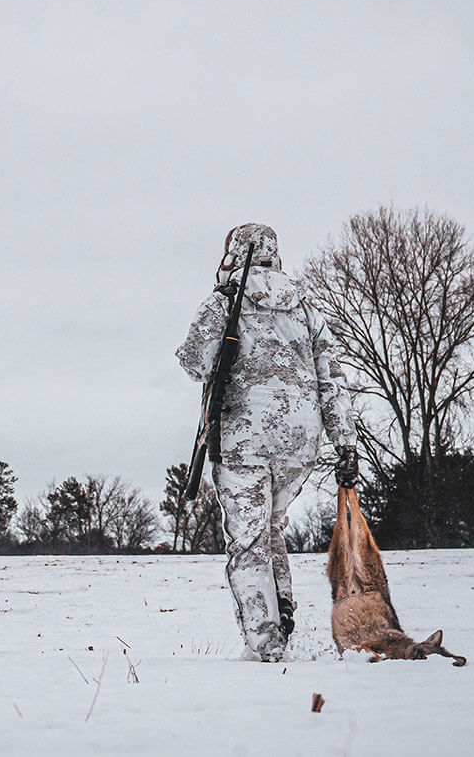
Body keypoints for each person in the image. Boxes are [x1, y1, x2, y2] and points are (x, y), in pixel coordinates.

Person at [176, 223, 358, 661]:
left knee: (248, 540)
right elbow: (332, 380)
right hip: (300, 441)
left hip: (244, 439)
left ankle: (266, 644)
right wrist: (346, 444)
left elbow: (194, 363)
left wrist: (218, 305)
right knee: (271, 528)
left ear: (231, 254)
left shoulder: (225, 301)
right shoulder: (307, 309)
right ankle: (283, 610)